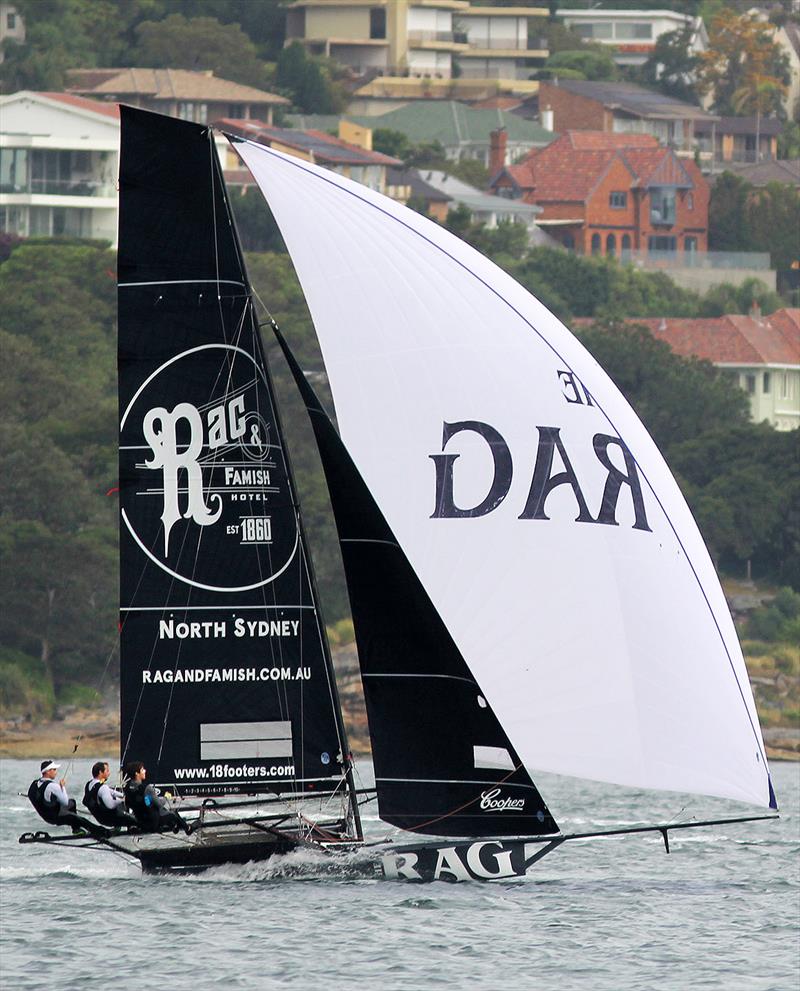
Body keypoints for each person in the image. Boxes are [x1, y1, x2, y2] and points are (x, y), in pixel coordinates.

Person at [27, 760, 110, 839]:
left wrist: (48, 801)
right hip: (55, 817)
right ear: (48, 771)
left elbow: (31, 795)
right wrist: (62, 787)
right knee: (80, 819)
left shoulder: (35, 783)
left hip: (45, 815)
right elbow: (65, 802)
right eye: (54, 770)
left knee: (72, 802)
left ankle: (76, 829)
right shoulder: (53, 786)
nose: (56, 772)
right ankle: (102, 832)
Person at [123, 761, 192, 835]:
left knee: (162, 812)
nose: (145, 771)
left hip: (141, 822)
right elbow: (159, 804)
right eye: (142, 770)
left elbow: (130, 803)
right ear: (136, 773)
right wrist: (166, 797)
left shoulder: (127, 787)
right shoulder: (147, 789)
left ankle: (174, 826)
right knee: (173, 814)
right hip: (153, 823)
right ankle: (188, 829)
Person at [83, 761, 139, 830]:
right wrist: (123, 800)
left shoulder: (90, 784)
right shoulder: (103, 787)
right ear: (100, 772)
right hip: (110, 820)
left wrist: (124, 795)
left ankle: (123, 826)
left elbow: (111, 791)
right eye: (107, 771)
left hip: (100, 818)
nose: (109, 773)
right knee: (139, 820)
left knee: (121, 801)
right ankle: (133, 826)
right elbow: (111, 805)